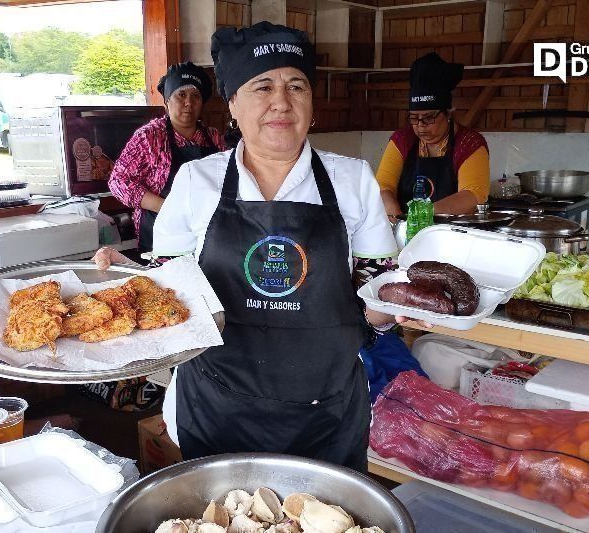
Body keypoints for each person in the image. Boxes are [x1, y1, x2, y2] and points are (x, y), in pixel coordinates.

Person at [94, 22, 415, 472]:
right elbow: (172, 294)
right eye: (262, 85)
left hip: (326, 413)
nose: (281, 101)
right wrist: (132, 280)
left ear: (311, 103)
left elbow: (374, 299)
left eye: (296, 86)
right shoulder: (195, 182)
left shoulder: (352, 180)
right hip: (216, 405)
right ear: (232, 105)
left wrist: (403, 306)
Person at [109, 62, 224, 255]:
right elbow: (119, 182)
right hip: (160, 232)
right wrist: (170, 208)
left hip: (205, 233)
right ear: (168, 100)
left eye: (196, 96)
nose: (189, 102)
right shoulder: (149, 136)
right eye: (181, 95)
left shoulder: (213, 137)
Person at [375, 52, 490, 217]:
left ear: (448, 114)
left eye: (429, 118)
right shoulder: (402, 140)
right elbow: (383, 186)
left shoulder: (470, 143)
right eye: (414, 118)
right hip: (405, 227)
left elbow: (473, 195)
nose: (421, 126)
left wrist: (423, 214)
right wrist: (396, 215)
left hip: (452, 234)